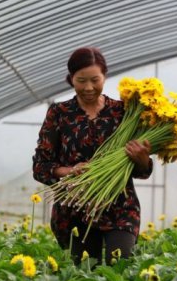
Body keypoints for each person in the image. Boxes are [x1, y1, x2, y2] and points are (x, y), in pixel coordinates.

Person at [33, 47, 153, 265]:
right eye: (81, 80)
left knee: (120, 266)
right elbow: (41, 166)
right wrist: (71, 171)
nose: (89, 87)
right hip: (74, 211)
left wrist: (142, 160)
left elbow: (141, 171)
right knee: (86, 275)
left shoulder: (124, 112)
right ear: (71, 79)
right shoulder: (59, 114)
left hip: (119, 208)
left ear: (105, 76)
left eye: (95, 80)